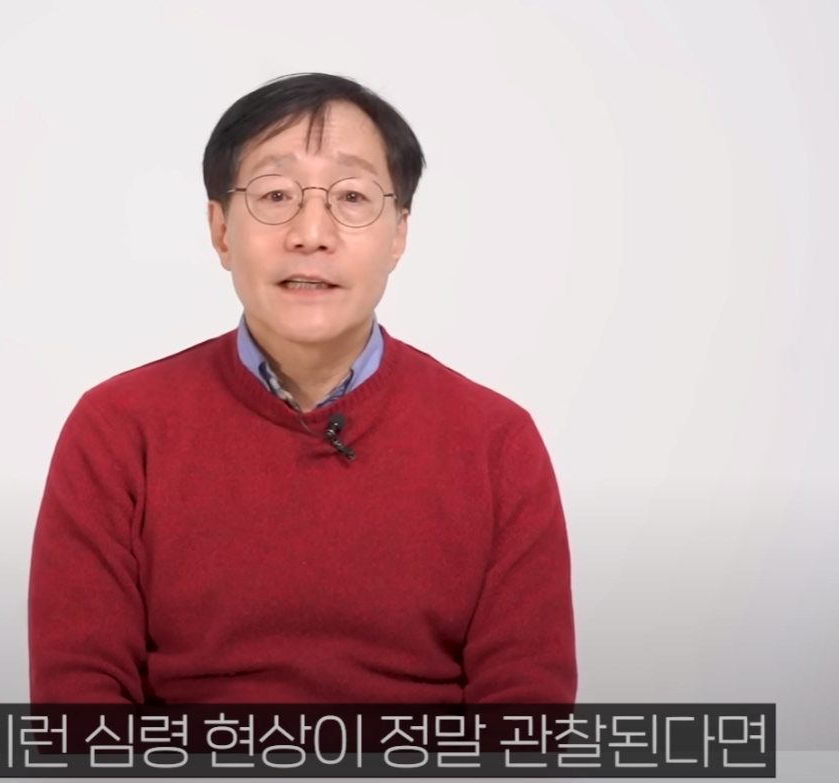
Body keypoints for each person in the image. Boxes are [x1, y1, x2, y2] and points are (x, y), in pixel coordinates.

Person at [28, 72, 576, 704]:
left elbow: (524, 716)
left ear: (398, 233)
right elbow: (80, 707)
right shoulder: (119, 429)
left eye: (351, 197)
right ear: (221, 230)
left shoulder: (496, 442)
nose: (311, 233)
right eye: (276, 195)